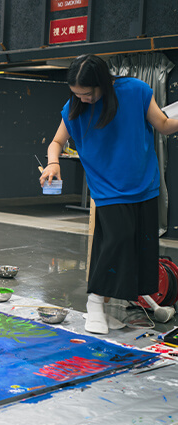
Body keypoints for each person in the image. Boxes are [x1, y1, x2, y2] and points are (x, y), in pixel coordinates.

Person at [40, 54, 178, 335]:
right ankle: (94, 304)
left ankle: (115, 306)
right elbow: (56, 141)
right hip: (107, 188)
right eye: (77, 93)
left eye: (87, 93)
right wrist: (53, 163)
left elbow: (163, 125)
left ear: (104, 83)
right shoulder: (75, 106)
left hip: (144, 182)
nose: (83, 99)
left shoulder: (136, 91)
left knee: (139, 249)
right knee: (116, 241)